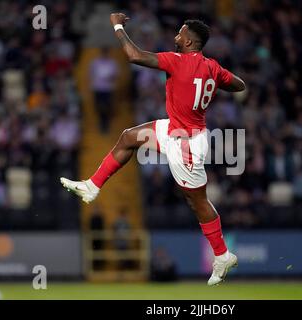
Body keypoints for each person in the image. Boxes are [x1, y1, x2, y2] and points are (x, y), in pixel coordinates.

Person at [61, 13, 246, 286]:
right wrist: (216, 80)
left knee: (197, 202)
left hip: (186, 143)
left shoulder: (177, 61)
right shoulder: (212, 67)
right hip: (177, 129)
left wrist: (118, 26)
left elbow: (134, 55)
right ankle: (92, 186)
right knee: (128, 137)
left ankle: (221, 254)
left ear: (189, 41)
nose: (175, 36)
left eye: (180, 33)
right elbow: (239, 85)